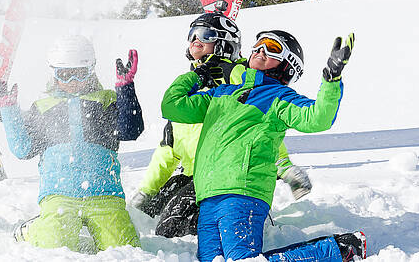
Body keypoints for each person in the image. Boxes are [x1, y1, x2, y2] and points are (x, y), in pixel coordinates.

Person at [161, 30, 367, 262]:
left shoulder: (278, 96)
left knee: (242, 260)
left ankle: (336, 250)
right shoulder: (221, 94)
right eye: (258, 45)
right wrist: (199, 75)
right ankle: (334, 250)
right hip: (208, 194)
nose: (260, 50)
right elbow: (172, 106)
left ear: (287, 66)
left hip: (243, 191)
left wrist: (331, 79)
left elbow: (317, 117)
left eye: (272, 48)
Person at [130, 14, 311, 238]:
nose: (196, 40)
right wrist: (147, 191)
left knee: (176, 223)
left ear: (224, 44)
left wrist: (285, 167)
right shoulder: (192, 84)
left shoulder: (236, 78)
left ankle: (246, 225)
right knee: (153, 214)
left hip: (227, 177)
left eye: (205, 35)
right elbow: (169, 147)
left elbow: (259, 125)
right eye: (192, 35)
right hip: (193, 177)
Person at [0, 35, 145, 252]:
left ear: (91, 70)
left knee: (124, 248)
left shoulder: (106, 100)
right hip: (59, 194)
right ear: (54, 74)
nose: (73, 80)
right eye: (64, 74)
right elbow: (23, 149)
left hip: (105, 194)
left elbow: (131, 130)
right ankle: (36, 228)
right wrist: (8, 109)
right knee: (53, 244)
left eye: (80, 74)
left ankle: (68, 224)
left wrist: (125, 88)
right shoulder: (43, 107)